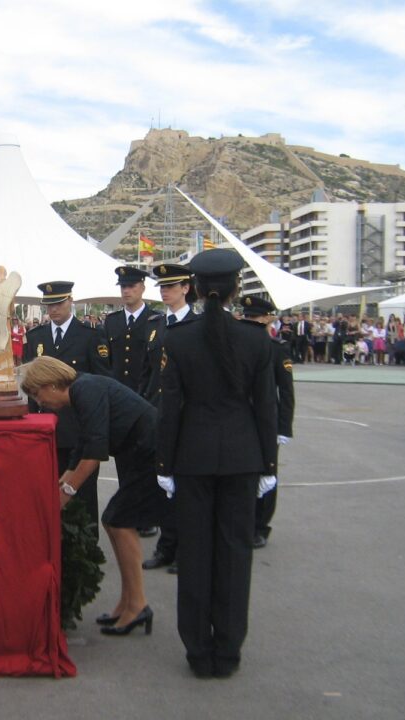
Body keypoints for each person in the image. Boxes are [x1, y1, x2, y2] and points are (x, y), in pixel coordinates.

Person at [156, 249, 277, 679]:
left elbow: (171, 407)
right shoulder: (256, 338)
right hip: (243, 458)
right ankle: (227, 650)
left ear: (197, 288)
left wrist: (165, 463)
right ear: (235, 288)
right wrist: (268, 463)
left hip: (193, 457)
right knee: (234, 554)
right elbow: (266, 407)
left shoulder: (179, 339)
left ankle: (197, 649)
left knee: (195, 553)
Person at [21, 357, 171, 636]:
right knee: (115, 520)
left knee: (119, 520)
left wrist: (63, 497)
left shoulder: (85, 390)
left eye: (37, 394)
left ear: (51, 384)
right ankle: (128, 603)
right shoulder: (82, 390)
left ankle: (137, 605)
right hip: (140, 451)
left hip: (151, 452)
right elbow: (82, 446)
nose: (39, 402)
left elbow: (94, 454)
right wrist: (61, 481)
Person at [22, 281, 110, 535]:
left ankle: (86, 546)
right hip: (45, 429)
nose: (53, 310)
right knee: (48, 491)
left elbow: (101, 382)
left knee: (83, 493)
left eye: (58, 303)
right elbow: (30, 385)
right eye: (49, 305)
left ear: (70, 301)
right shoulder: (36, 337)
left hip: (78, 429)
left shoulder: (90, 335)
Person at [138, 262, 198, 573]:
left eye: (171, 286)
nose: (165, 291)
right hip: (157, 412)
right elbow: (148, 372)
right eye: (162, 286)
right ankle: (166, 546)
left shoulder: (196, 326)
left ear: (186, 289)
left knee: (185, 487)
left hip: (186, 416)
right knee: (160, 481)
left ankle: (185, 550)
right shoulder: (155, 325)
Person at [239, 296, 295, 548]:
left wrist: (284, 428)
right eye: (247, 317)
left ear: (267, 319)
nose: (251, 322)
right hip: (242, 419)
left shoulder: (277, 347)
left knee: (267, 473)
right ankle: (243, 522)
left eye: (255, 318)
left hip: (268, 421)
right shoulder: (238, 344)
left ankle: (260, 526)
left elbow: (286, 390)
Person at [103, 265, 152, 393]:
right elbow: (106, 361)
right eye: (123, 286)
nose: (126, 291)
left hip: (144, 393)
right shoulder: (111, 321)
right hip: (116, 392)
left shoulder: (154, 320)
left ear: (142, 288)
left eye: (131, 286)